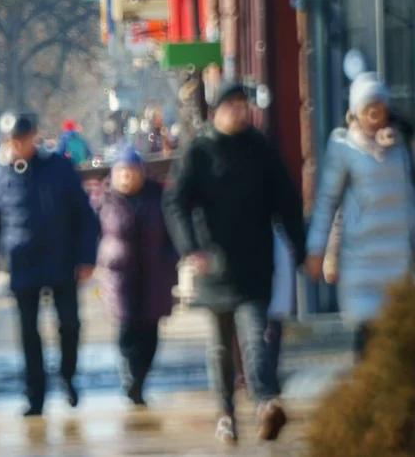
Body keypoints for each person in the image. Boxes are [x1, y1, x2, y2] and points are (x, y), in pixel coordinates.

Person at [162, 81, 306, 444]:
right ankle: (225, 414)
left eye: (244, 105)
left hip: (256, 263)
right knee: (221, 345)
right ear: (216, 111)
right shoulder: (200, 151)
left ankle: (264, 403)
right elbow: (175, 202)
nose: (241, 111)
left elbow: (286, 202)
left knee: (255, 335)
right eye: (233, 105)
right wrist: (190, 248)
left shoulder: (261, 149)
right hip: (213, 265)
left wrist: (302, 249)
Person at [0, 112, 98, 417]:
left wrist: (86, 258)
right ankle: (35, 395)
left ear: (33, 137)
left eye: (22, 139)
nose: (17, 145)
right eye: (11, 140)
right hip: (22, 264)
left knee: (70, 325)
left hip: (60, 259)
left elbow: (85, 215)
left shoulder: (58, 167)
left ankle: (67, 377)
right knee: (29, 333)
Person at [305, 72, 415, 361]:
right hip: (362, 263)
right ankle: (368, 400)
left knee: (396, 339)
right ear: (355, 112)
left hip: (397, 261)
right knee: (368, 337)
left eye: (380, 106)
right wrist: (318, 251)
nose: (375, 114)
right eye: (368, 108)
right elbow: (328, 202)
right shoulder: (344, 148)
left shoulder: (402, 146)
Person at [94, 145, 177, 407]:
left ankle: (140, 379)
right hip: (120, 275)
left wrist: (172, 257)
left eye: (131, 172)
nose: (126, 178)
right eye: (121, 172)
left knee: (150, 329)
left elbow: (174, 231)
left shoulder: (158, 197)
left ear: (141, 172)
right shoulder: (105, 200)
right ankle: (130, 377)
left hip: (154, 272)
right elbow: (92, 232)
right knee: (127, 328)